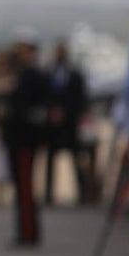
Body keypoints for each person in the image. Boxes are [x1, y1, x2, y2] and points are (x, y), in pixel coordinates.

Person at [0, 32, 50, 245]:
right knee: (22, 188)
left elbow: (25, 109)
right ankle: (25, 230)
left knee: (26, 187)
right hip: (19, 139)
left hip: (24, 140)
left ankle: (28, 232)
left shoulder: (33, 75)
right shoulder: (23, 74)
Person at [44, 39, 87, 205]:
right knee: (50, 160)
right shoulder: (49, 72)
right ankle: (49, 193)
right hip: (53, 125)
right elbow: (46, 95)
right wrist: (52, 111)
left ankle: (82, 194)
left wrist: (67, 112)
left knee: (76, 159)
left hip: (70, 123)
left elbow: (80, 98)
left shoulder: (75, 74)